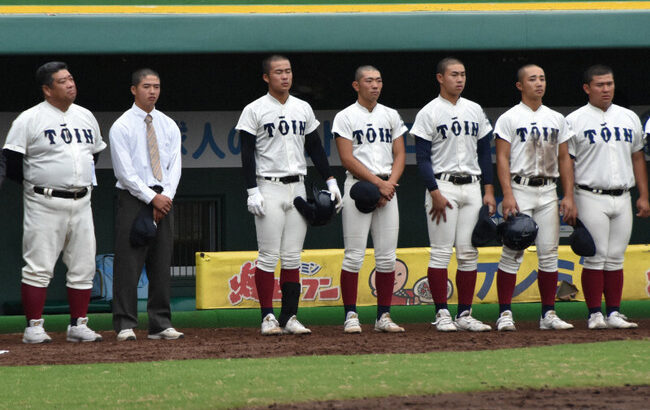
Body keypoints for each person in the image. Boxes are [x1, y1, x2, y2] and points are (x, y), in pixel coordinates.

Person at [236, 55, 342, 336]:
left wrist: (330, 179)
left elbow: (316, 147)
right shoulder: (254, 109)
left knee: (293, 257)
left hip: (298, 186)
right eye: (278, 72)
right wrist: (252, 190)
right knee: (268, 256)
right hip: (268, 185)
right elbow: (246, 153)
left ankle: (290, 316)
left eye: (288, 71)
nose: (285, 76)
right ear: (266, 78)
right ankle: (268, 317)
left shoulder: (302, 107)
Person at [2, 61, 105, 343]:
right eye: (62, 81)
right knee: (38, 266)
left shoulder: (85, 116)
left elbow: (94, 155)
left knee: (83, 265)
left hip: (82, 201)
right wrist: (39, 183)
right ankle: (34, 327)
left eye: (71, 78)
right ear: (47, 89)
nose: (70, 84)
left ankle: (78, 325)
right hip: (44, 201)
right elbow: (11, 161)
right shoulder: (29, 118)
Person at [410, 57, 495, 332]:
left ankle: (465, 314)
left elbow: (484, 153)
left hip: (472, 185)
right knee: (441, 253)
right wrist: (433, 190)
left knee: (469, 253)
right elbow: (422, 158)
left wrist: (489, 190)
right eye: (454, 74)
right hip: (443, 185)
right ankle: (442, 313)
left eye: (463, 74)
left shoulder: (474, 109)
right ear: (440, 78)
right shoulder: (429, 112)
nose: (459, 79)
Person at [493, 64, 577, 331]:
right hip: (520, 188)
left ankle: (548, 314)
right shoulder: (509, 117)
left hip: (548, 189)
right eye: (532, 79)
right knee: (512, 252)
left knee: (549, 254)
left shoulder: (556, 118)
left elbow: (565, 159)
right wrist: (507, 194)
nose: (539, 83)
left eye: (542, 78)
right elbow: (502, 158)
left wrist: (569, 196)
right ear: (520, 85)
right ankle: (505, 313)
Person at [566, 65, 650, 329]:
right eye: (600, 85)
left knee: (615, 256)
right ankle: (594, 314)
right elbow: (567, 162)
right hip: (590, 194)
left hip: (623, 194)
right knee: (595, 255)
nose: (606, 89)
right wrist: (568, 196)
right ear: (587, 88)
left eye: (610, 84)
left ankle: (613, 312)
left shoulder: (628, 117)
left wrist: (643, 194)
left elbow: (637, 157)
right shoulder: (575, 119)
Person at [109, 68, 184, 341]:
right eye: (146, 86)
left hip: (165, 197)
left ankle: (160, 323)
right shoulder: (123, 125)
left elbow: (175, 165)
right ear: (134, 89)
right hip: (134, 197)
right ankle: (126, 323)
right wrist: (151, 198)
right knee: (129, 263)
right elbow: (124, 173)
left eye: (156, 86)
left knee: (161, 262)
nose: (152, 91)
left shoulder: (168, 124)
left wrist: (165, 197)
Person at [333, 65, 407, 333]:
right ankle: (351, 314)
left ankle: (383, 316)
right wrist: (379, 185)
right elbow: (346, 158)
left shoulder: (390, 114)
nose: (374, 85)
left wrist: (389, 185)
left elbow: (400, 154)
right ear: (356, 85)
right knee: (354, 256)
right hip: (359, 187)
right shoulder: (345, 116)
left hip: (388, 186)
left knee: (387, 258)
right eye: (369, 81)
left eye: (378, 80)